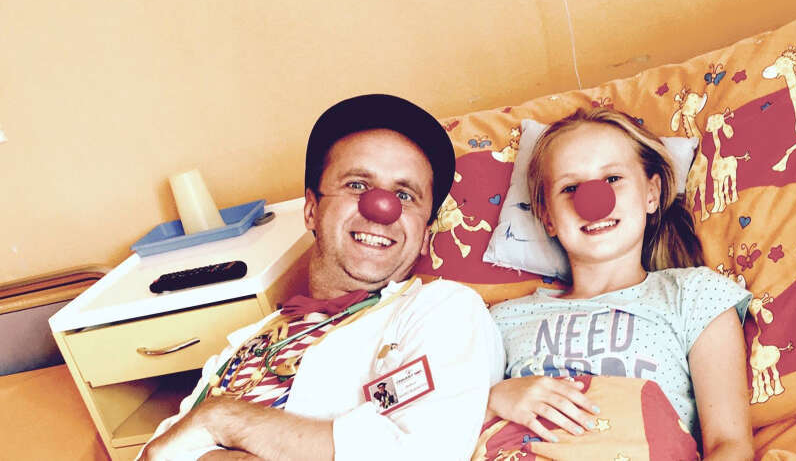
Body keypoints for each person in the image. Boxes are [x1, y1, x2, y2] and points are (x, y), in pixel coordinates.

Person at [139, 94, 505, 461]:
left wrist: (226, 419)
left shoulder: (444, 311)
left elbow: (420, 453)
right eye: (357, 185)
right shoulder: (244, 346)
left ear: (425, 236)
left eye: (404, 195)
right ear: (312, 210)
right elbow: (156, 452)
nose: (381, 208)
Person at [486, 108, 753, 459]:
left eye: (612, 178)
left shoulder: (694, 294)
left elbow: (729, 445)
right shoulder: (500, 320)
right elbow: (442, 426)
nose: (593, 201)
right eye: (570, 188)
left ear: (651, 193)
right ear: (548, 216)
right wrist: (491, 400)